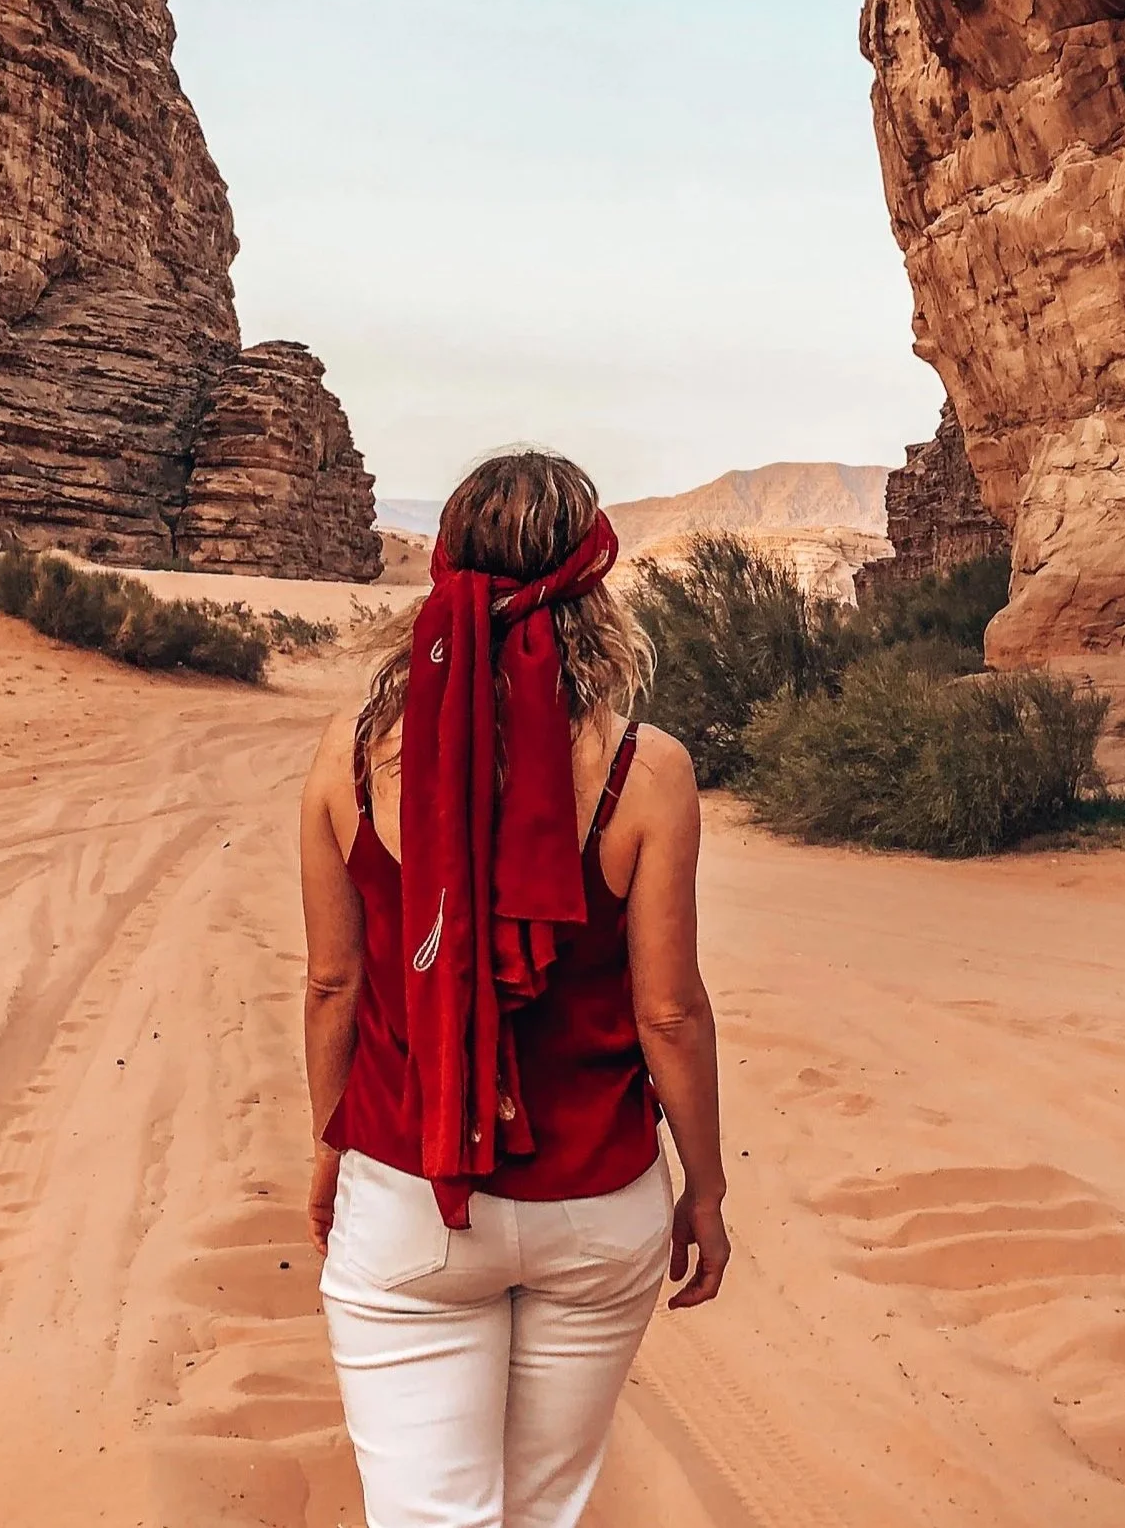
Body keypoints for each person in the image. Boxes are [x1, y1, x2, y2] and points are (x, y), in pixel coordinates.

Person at [296, 451, 729, 1528]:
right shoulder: (647, 769)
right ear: (594, 584)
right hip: (595, 1201)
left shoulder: (352, 758)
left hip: (407, 1190)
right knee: (541, 1514)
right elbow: (667, 1012)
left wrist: (331, 1146)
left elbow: (330, 984)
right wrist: (706, 1189)